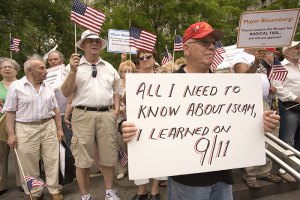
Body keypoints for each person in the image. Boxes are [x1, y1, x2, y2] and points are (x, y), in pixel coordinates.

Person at [121, 21, 281, 200]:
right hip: (186, 181)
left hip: (223, 176)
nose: (212, 47)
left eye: (213, 43)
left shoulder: (229, 86)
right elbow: (137, 120)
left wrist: (261, 123)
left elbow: (238, 122)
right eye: (204, 43)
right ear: (186, 49)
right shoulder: (163, 87)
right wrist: (126, 128)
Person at [61, 30, 121, 200]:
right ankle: (85, 195)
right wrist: (73, 71)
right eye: (90, 41)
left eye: (97, 41)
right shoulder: (72, 66)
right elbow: (66, 93)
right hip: (83, 114)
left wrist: (116, 109)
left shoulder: (109, 67)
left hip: (107, 115)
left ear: (100, 45)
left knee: (108, 156)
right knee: (82, 159)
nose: (94, 43)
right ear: (83, 45)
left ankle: (109, 192)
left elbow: (117, 89)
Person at [4, 55, 64, 200]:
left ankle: (54, 190)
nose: (46, 71)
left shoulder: (48, 86)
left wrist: (59, 129)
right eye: (42, 68)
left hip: (48, 126)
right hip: (25, 128)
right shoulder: (16, 86)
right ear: (30, 71)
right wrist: (11, 134)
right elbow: (10, 112)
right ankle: (35, 192)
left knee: (52, 159)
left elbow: (56, 110)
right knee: (28, 162)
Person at [232, 48, 282, 189]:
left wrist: (269, 87)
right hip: (248, 102)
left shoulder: (261, 58)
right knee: (252, 139)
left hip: (263, 101)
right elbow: (243, 79)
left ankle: (264, 171)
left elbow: (261, 79)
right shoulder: (240, 57)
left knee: (269, 138)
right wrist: (256, 63)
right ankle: (250, 174)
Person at [272, 41, 300, 182]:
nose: (299, 49)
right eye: (296, 48)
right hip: (289, 107)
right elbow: (278, 88)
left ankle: (295, 166)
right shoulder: (280, 67)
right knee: (287, 140)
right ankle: (284, 169)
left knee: (299, 139)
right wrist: (296, 98)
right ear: (287, 52)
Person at [0, 58, 22, 195]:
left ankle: (22, 182)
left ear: (16, 70)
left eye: (10, 67)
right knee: (1, 155)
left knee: (21, 153)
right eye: (4, 67)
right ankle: (1, 184)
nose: (7, 69)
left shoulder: (23, 84)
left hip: (20, 122)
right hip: (1, 123)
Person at [47, 51, 73, 147]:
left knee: (70, 142)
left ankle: (70, 162)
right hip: (52, 115)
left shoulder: (68, 71)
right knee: (55, 143)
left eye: (56, 59)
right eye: (51, 60)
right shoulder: (46, 75)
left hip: (69, 114)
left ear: (61, 60)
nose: (53, 61)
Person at [115, 60, 136, 180]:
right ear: (120, 72)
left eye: (130, 70)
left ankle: (135, 167)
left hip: (134, 118)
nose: (127, 73)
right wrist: (118, 107)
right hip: (120, 119)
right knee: (120, 144)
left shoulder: (137, 82)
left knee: (133, 144)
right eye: (124, 71)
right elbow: (111, 98)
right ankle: (122, 169)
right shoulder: (117, 84)